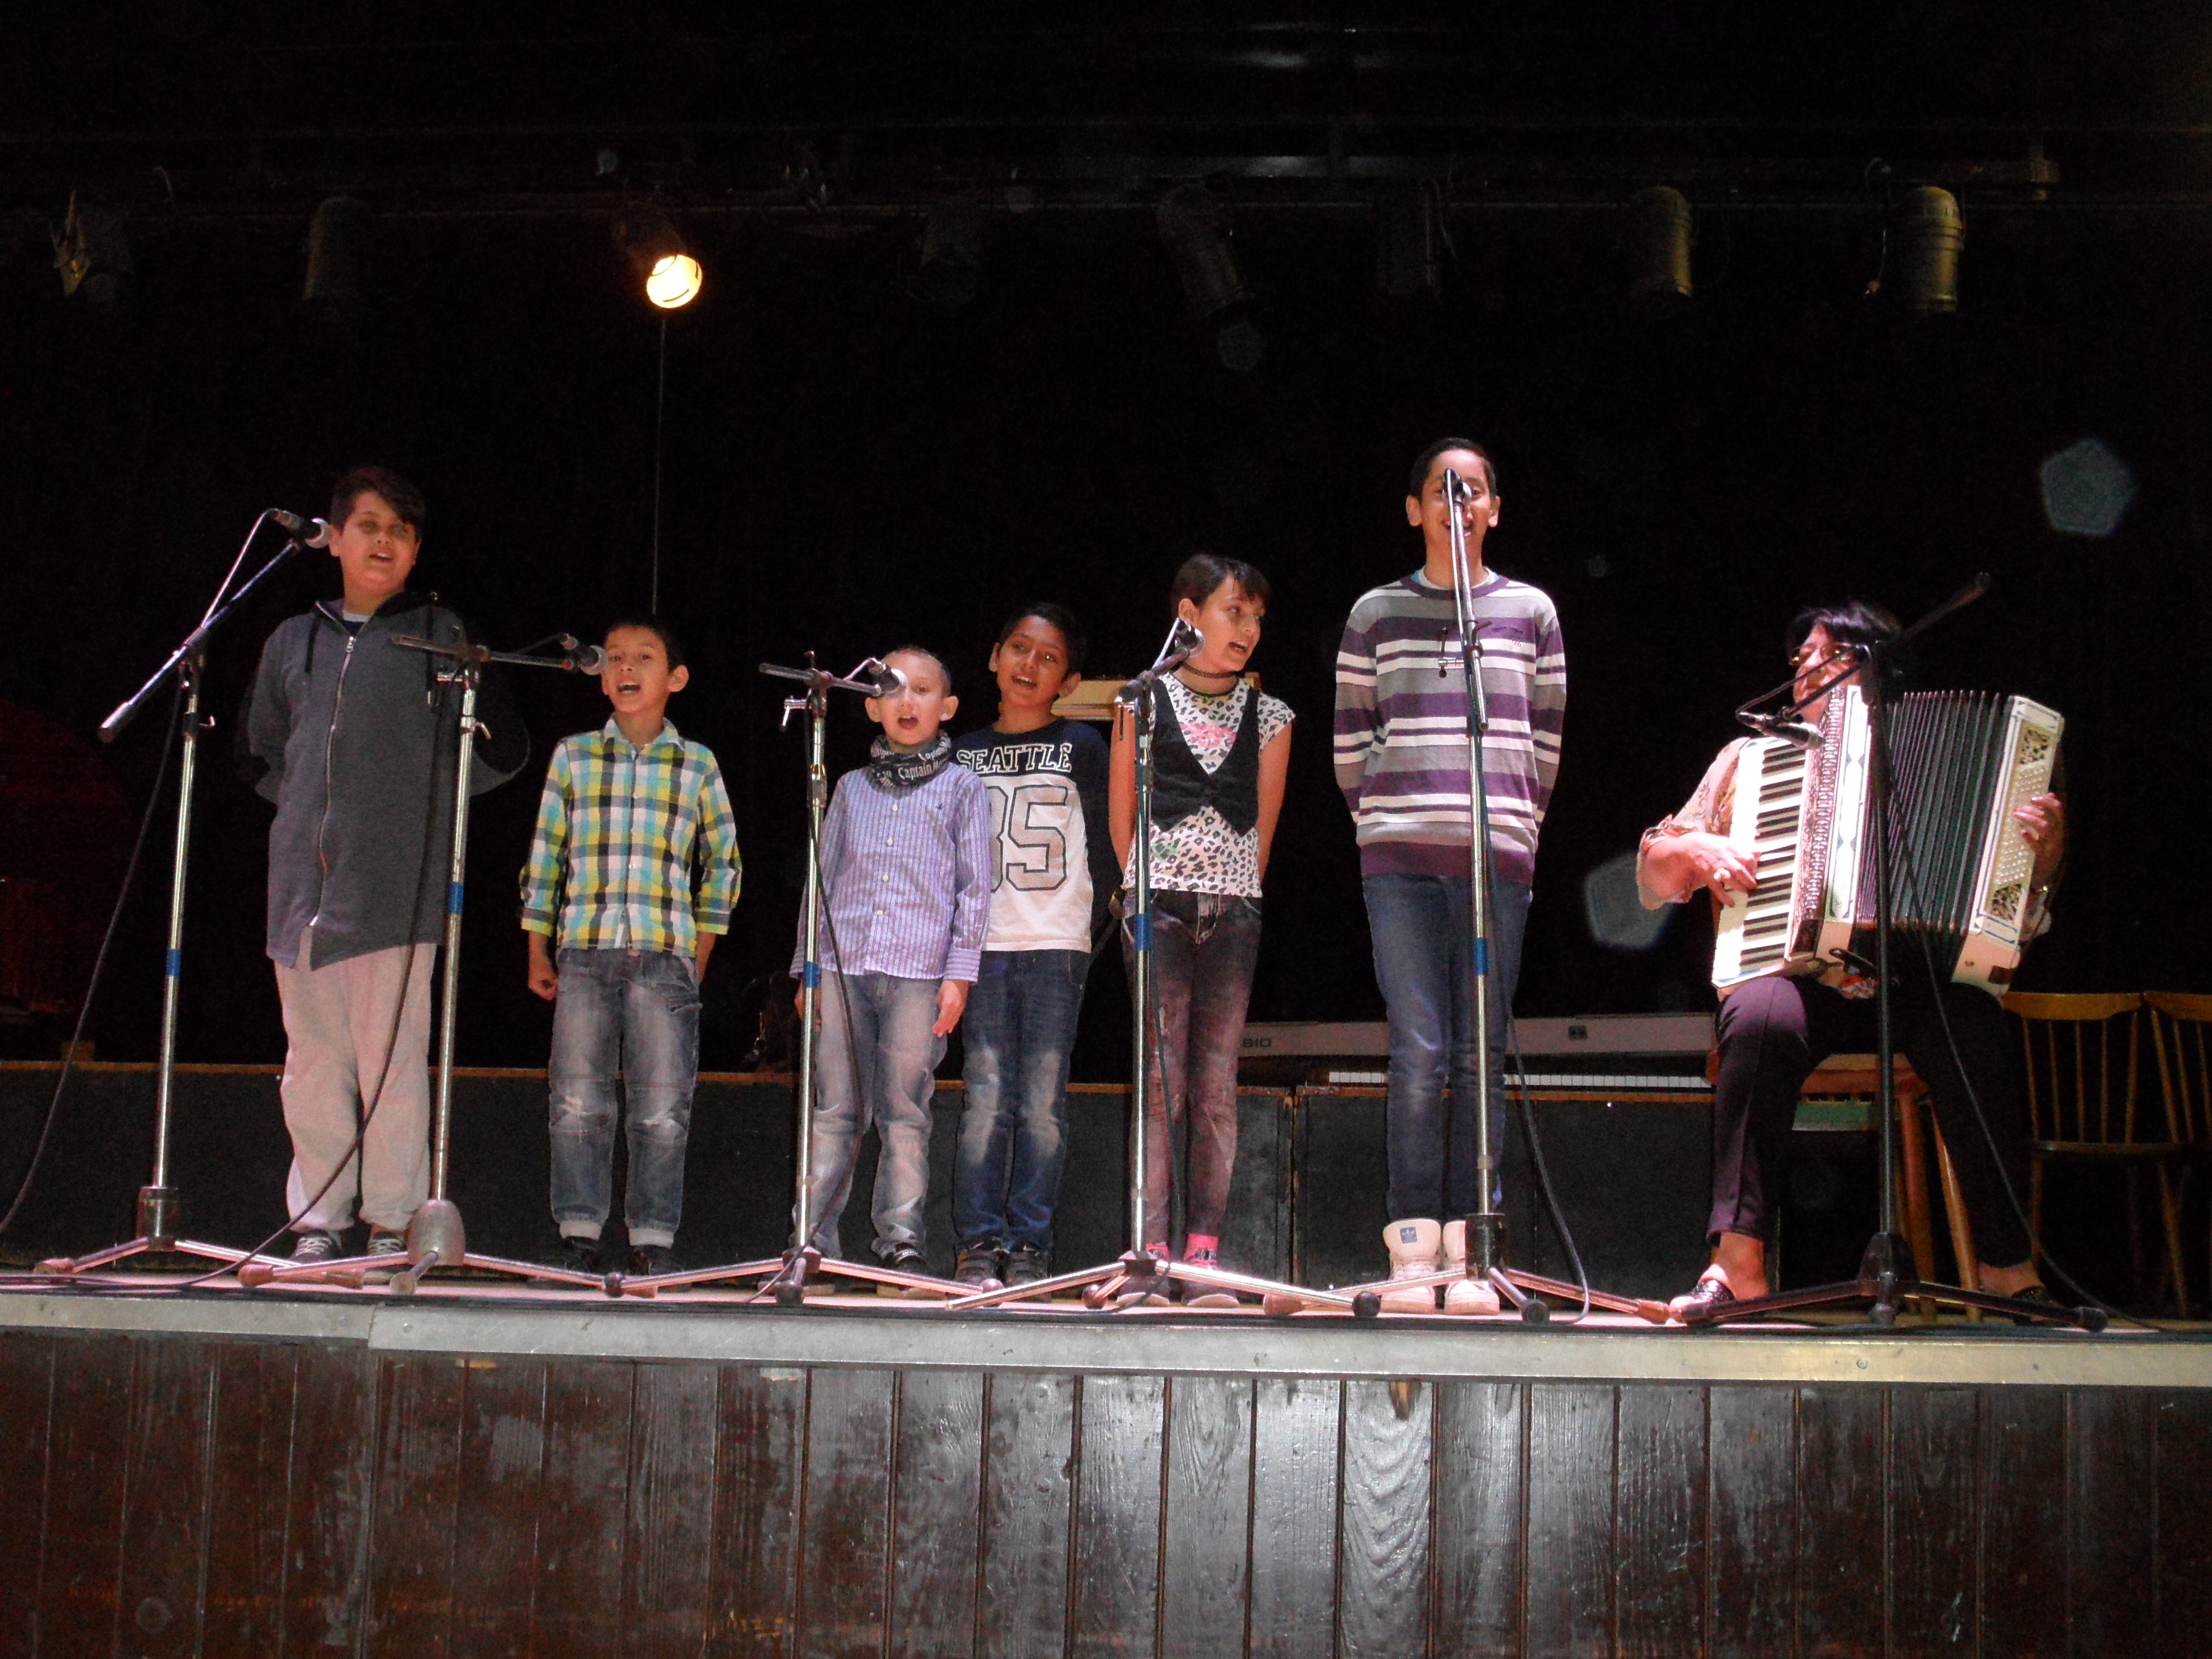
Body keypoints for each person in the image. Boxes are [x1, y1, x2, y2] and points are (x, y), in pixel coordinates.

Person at [1637, 599, 2066, 1317]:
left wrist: (2040, 861)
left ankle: (2005, 1270)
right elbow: (1653, 878)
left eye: (1829, 655)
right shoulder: (1750, 759)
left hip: (1917, 978)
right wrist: (1697, 850)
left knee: (1974, 1024)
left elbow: (2016, 918)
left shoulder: (1944, 753)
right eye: (1799, 658)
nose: (1806, 668)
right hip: (1804, 978)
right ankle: (1737, 1265)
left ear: (1879, 668)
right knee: (1757, 1017)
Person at [239, 466, 528, 1261]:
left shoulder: (439, 633)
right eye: (368, 526)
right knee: (310, 1065)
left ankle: (394, 1219)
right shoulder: (292, 639)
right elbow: (259, 752)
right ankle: (318, 1222)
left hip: (396, 889)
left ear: (416, 551)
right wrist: (311, 814)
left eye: (401, 531)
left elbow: (502, 750)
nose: (384, 542)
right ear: (333, 539)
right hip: (302, 890)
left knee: (391, 1066)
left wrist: (412, 813)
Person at [1333, 438, 1566, 1313]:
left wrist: (1517, 825)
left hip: (1493, 859)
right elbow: (1351, 740)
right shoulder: (1376, 612)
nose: (1455, 502)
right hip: (1399, 860)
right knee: (1419, 1050)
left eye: (1471, 491)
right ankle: (1412, 1252)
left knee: (1479, 1054)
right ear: (1414, 509)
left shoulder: (1531, 611)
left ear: (1494, 509)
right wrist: (1383, 821)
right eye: (1440, 488)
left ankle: (1475, 1250)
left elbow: (1546, 735)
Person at [518, 618, 739, 1278]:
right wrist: (537, 949)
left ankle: (653, 1237)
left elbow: (723, 863)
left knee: (662, 1107)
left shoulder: (697, 763)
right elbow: (544, 856)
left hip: (665, 956)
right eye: (614, 658)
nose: (625, 668)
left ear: (676, 678)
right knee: (577, 1100)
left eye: (643, 657)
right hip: (585, 951)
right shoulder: (574, 755)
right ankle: (579, 1234)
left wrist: (699, 953)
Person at [1110, 554, 1292, 1304]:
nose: (1247, 629)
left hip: (1233, 912)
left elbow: (1264, 832)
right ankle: (1150, 1252)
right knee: (1160, 1085)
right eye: (1232, 612)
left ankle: (1204, 1253)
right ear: (1189, 613)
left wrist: (1235, 890)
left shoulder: (1271, 716)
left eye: (1256, 618)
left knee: (1216, 1086)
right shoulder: (1141, 701)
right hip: (1157, 907)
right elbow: (1122, 819)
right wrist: (1141, 892)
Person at [794, 646, 992, 1290]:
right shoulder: (850, 788)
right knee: (835, 1109)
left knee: (905, 1111)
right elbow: (821, 880)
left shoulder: (963, 788)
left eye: (923, 691)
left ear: (947, 707)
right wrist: (807, 968)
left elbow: (974, 889)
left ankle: (900, 1245)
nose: (908, 703)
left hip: (918, 973)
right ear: (872, 707)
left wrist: (959, 974)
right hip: (844, 967)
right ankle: (813, 1243)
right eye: (893, 691)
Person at [950, 605, 1117, 1292]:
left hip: (1055, 945)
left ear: (1069, 681)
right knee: (985, 1098)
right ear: (995, 657)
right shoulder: (960, 751)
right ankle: (977, 1243)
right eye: (1019, 648)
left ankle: (1029, 1245)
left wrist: (1086, 925)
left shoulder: (1082, 745)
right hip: (981, 948)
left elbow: (1108, 845)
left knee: (1042, 1104)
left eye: (1049, 658)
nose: (1029, 665)